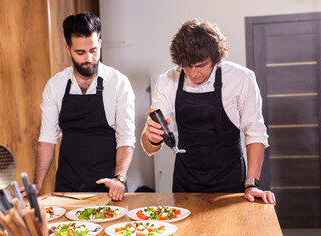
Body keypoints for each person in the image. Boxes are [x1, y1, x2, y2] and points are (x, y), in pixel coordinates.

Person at [141, 19, 276, 205]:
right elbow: (149, 148)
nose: (193, 73)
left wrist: (252, 184)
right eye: (186, 66)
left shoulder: (241, 78)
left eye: (200, 65)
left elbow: (255, 135)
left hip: (231, 183)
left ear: (216, 58)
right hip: (185, 184)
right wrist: (151, 138)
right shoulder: (167, 81)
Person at [29, 12, 135, 200]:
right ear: (68, 49)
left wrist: (120, 178)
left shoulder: (118, 83)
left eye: (93, 50)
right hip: (67, 188)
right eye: (80, 52)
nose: (89, 58)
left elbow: (126, 138)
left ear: (100, 44)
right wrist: (36, 186)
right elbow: (47, 139)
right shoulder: (55, 85)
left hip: (109, 186)